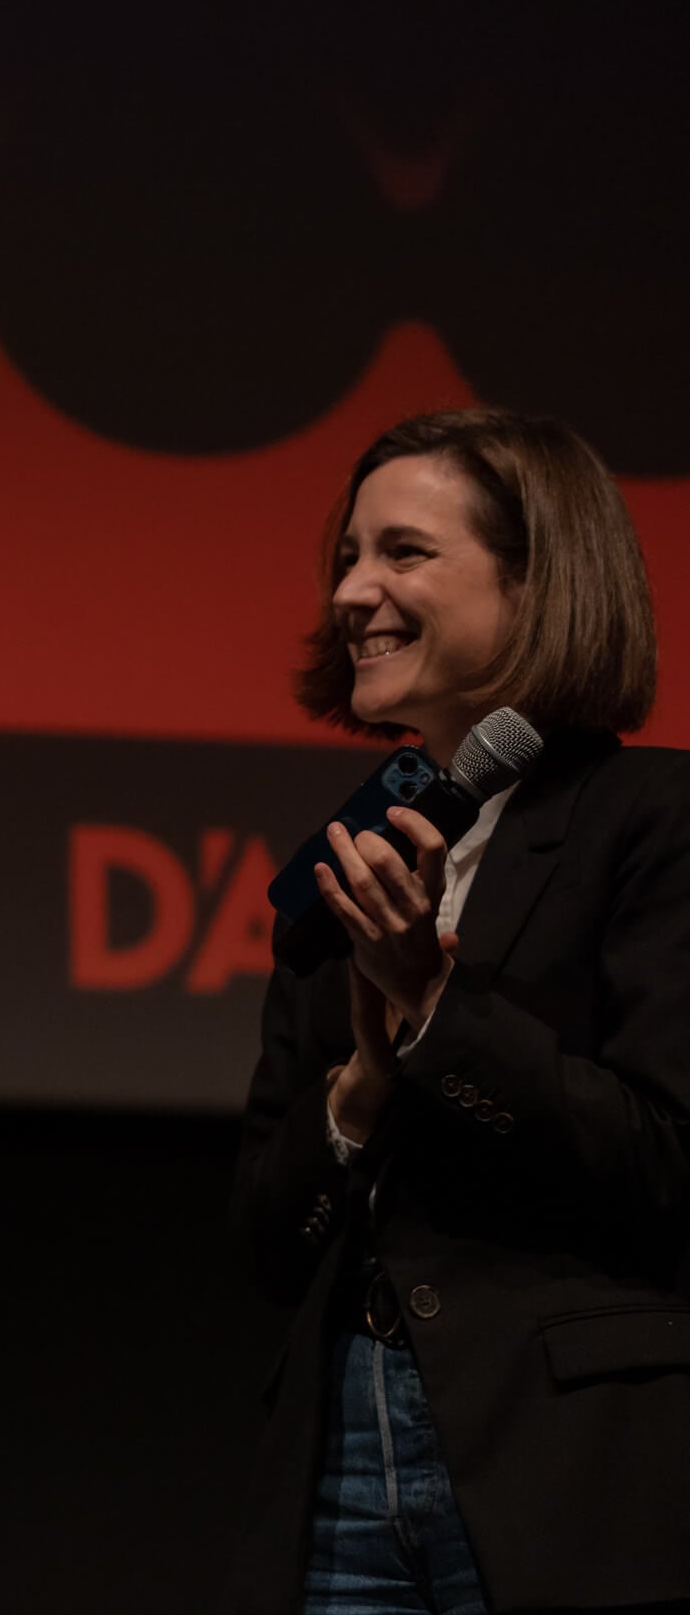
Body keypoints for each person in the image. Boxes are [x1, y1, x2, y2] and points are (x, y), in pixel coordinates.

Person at [227, 409, 690, 1614]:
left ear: (538, 583)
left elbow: (668, 1161)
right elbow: (267, 1242)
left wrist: (435, 1008)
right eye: (345, 556)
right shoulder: (348, 857)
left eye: (402, 553)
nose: (351, 591)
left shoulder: (652, 821)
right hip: (341, 1472)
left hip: (568, 1478)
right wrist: (361, 1087)